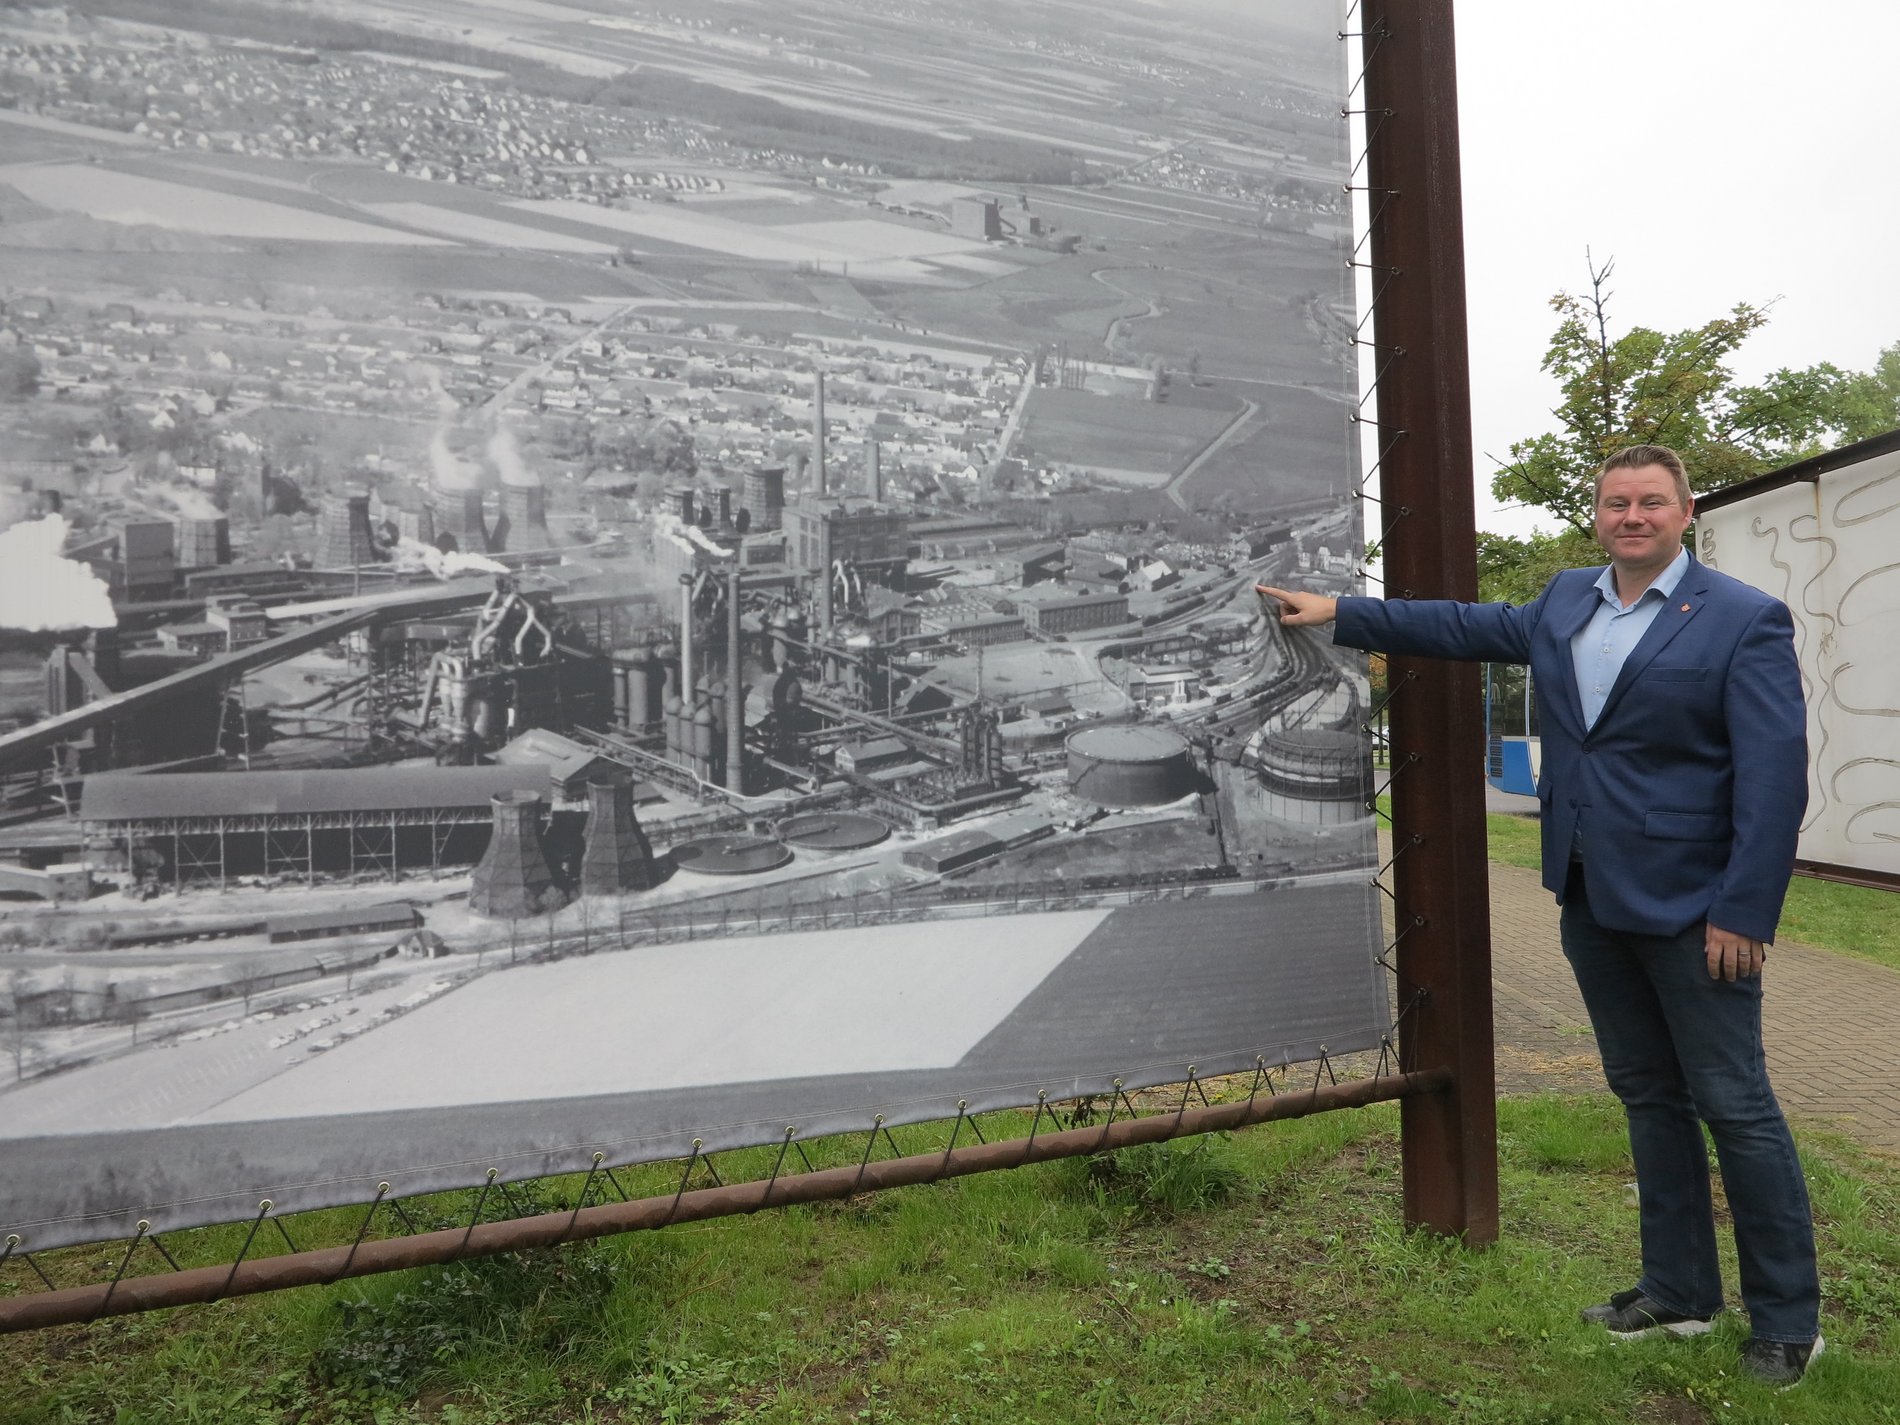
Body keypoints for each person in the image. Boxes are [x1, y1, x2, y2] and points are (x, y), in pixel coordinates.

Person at [1257, 444, 1821, 1385]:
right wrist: (1345, 613)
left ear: (1686, 513)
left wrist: (1744, 911)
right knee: (1648, 1094)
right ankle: (1678, 1290)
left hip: (1697, 911)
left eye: (1650, 503)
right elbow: (1466, 623)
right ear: (1596, 515)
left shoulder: (1741, 619)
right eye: (1614, 503)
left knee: (1738, 1107)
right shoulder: (1566, 599)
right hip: (1591, 895)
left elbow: (1773, 779)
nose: (1630, 516)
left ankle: (1787, 1324)